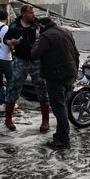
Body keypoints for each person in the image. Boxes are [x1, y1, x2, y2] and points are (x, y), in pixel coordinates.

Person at [31, 17, 79, 149]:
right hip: (70, 74)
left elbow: (34, 54)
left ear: (41, 26)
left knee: (59, 108)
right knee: (62, 105)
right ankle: (60, 134)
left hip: (56, 76)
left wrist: (37, 39)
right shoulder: (66, 31)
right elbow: (76, 54)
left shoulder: (46, 36)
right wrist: (74, 72)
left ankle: (63, 139)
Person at [3, 5, 50, 132]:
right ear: (23, 14)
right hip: (20, 60)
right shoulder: (14, 25)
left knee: (42, 88)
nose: (33, 15)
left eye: (33, 12)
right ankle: (8, 119)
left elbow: (49, 36)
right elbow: (5, 39)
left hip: (36, 61)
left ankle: (45, 120)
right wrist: (11, 42)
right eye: (30, 13)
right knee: (13, 88)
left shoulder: (38, 24)